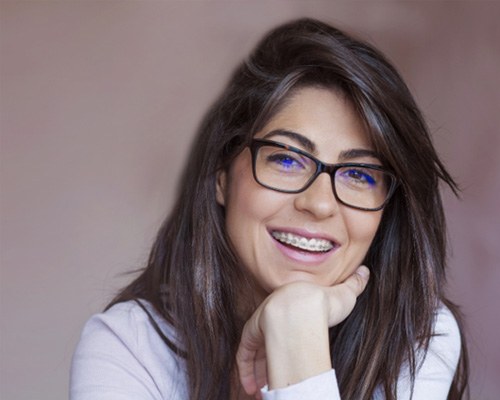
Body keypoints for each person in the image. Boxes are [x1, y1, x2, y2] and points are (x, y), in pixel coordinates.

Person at [70, 18, 469, 399]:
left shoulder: (417, 337)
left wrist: (296, 328)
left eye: (360, 175)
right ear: (221, 175)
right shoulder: (131, 346)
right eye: (287, 159)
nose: (318, 203)